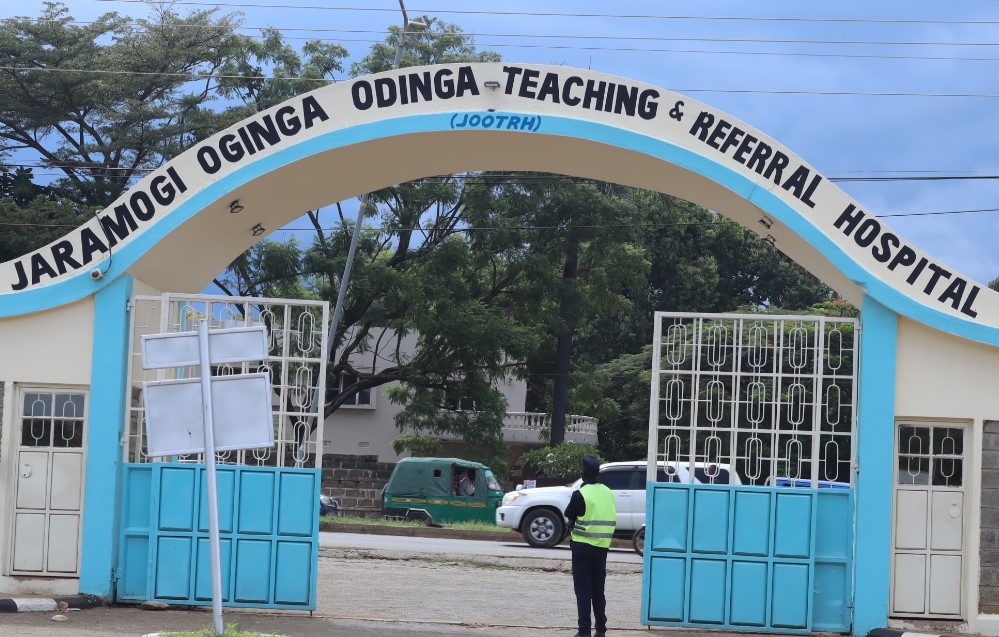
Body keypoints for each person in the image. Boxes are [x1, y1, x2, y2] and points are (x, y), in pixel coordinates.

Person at [564, 455, 615, 637]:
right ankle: (600, 629)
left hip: (582, 548)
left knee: (583, 591)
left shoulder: (580, 494)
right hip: (602, 549)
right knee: (598, 591)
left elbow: (569, 514)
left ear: (583, 473)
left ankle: (584, 631)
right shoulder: (609, 492)